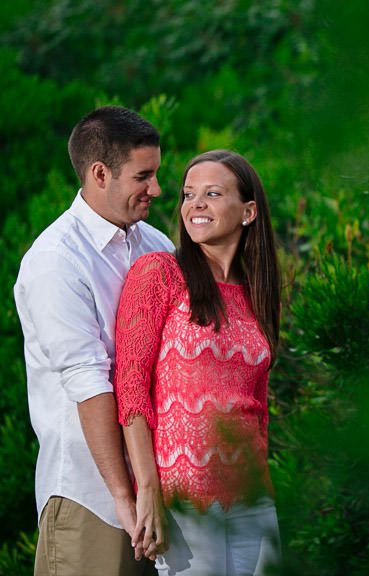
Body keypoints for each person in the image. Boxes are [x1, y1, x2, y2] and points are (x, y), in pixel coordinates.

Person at [13, 106, 174, 575]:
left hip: (160, 495)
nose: (157, 190)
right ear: (100, 173)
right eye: (144, 176)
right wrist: (125, 499)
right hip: (92, 500)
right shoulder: (55, 261)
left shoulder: (158, 246)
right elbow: (90, 382)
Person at [114, 149, 282, 576]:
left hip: (252, 500)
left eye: (211, 193)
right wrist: (146, 487)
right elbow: (130, 387)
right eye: (189, 195)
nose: (196, 205)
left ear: (248, 211)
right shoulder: (160, 273)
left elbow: (257, 407)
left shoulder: (257, 294)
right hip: (185, 501)